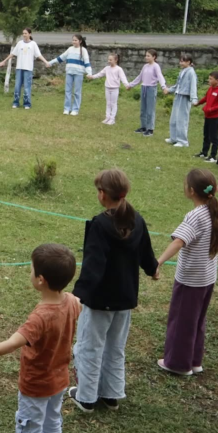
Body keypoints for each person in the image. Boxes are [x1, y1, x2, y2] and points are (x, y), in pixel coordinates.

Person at [0, 244, 80, 433]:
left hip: (36, 385)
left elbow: (11, 344)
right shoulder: (73, 301)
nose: (30, 272)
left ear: (40, 279)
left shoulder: (40, 317)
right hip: (59, 380)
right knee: (52, 419)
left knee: (29, 430)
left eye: (31, 269)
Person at [70, 169, 157, 412]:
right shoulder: (136, 219)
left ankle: (86, 397)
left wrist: (79, 295)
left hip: (100, 300)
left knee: (89, 345)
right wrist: (153, 269)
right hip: (124, 299)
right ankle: (111, 394)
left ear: (102, 194)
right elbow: (146, 254)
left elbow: (93, 265)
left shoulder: (100, 224)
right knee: (115, 346)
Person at [154, 169, 218, 376]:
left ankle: (178, 364)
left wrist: (159, 262)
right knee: (197, 319)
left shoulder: (194, 216)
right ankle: (195, 361)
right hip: (207, 278)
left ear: (191, 191)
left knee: (182, 321)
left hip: (190, 280)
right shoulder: (214, 210)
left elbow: (179, 241)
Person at [2, 28, 49, 110]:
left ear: (30, 34)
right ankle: (16, 102)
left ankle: (27, 103)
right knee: (17, 86)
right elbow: (12, 54)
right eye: (23, 33)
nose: (24, 35)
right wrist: (4, 61)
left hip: (28, 68)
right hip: (19, 68)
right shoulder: (20, 43)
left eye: (26, 33)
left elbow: (38, 55)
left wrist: (46, 62)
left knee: (27, 87)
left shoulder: (33, 44)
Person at [49, 34, 92, 116]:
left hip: (78, 73)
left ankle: (75, 109)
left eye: (76, 40)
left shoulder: (83, 50)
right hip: (69, 72)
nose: (74, 42)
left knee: (77, 92)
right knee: (68, 91)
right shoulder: (69, 49)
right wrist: (50, 63)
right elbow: (60, 58)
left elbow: (87, 63)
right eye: (73, 40)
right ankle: (66, 109)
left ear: (80, 41)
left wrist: (89, 73)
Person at [127, 50, 168, 136]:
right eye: (146, 56)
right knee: (143, 109)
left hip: (151, 89)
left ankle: (150, 129)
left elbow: (160, 76)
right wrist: (131, 85)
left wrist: (163, 87)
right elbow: (139, 77)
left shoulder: (156, 66)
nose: (146, 57)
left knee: (150, 110)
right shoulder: (145, 66)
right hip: (144, 88)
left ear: (154, 57)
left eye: (148, 56)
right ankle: (143, 126)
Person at [164, 53, 198, 148]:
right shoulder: (182, 71)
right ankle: (173, 138)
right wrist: (169, 90)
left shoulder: (191, 72)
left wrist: (194, 98)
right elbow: (177, 85)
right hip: (178, 96)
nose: (181, 63)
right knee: (174, 118)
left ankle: (183, 141)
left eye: (183, 61)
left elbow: (193, 86)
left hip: (185, 97)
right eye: (181, 61)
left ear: (189, 62)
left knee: (182, 119)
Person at [86, 53, 129, 125]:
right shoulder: (107, 68)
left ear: (116, 60)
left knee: (113, 103)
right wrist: (92, 77)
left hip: (115, 89)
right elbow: (99, 74)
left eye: (111, 60)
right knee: (108, 103)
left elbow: (123, 78)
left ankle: (112, 119)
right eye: (108, 59)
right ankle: (107, 117)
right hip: (107, 88)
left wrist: (127, 85)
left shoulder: (119, 69)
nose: (109, 61)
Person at [194, 71, 218, 162]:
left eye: (210, 79)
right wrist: (198, 103)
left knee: (214, 136)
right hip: (207, 116)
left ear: (217, 80)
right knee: (206, 135)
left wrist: (211, 109)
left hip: (215, 117)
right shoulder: (210, 89)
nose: (208, 80)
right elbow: (206, 98)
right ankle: (204, 152)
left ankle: (213, 156)